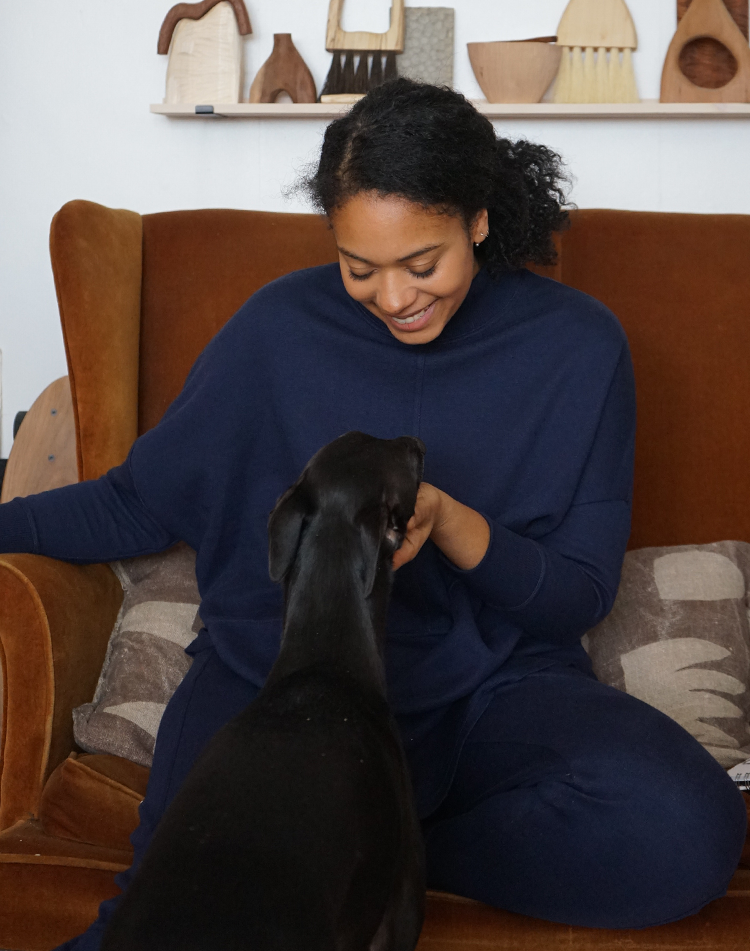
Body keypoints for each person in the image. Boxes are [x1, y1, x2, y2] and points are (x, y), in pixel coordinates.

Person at [0, 80, 744, 946]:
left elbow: (575, 595)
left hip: (485, 693)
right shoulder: (275, 328)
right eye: (361, 268)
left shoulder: (579, 346)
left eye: (421, 263)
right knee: (166, 914)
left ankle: (380, 848)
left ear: (477, 219)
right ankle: (353, 845)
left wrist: (454, 523)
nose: (393, 298)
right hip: (275, 688)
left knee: (684, 834)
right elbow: (135, 502)